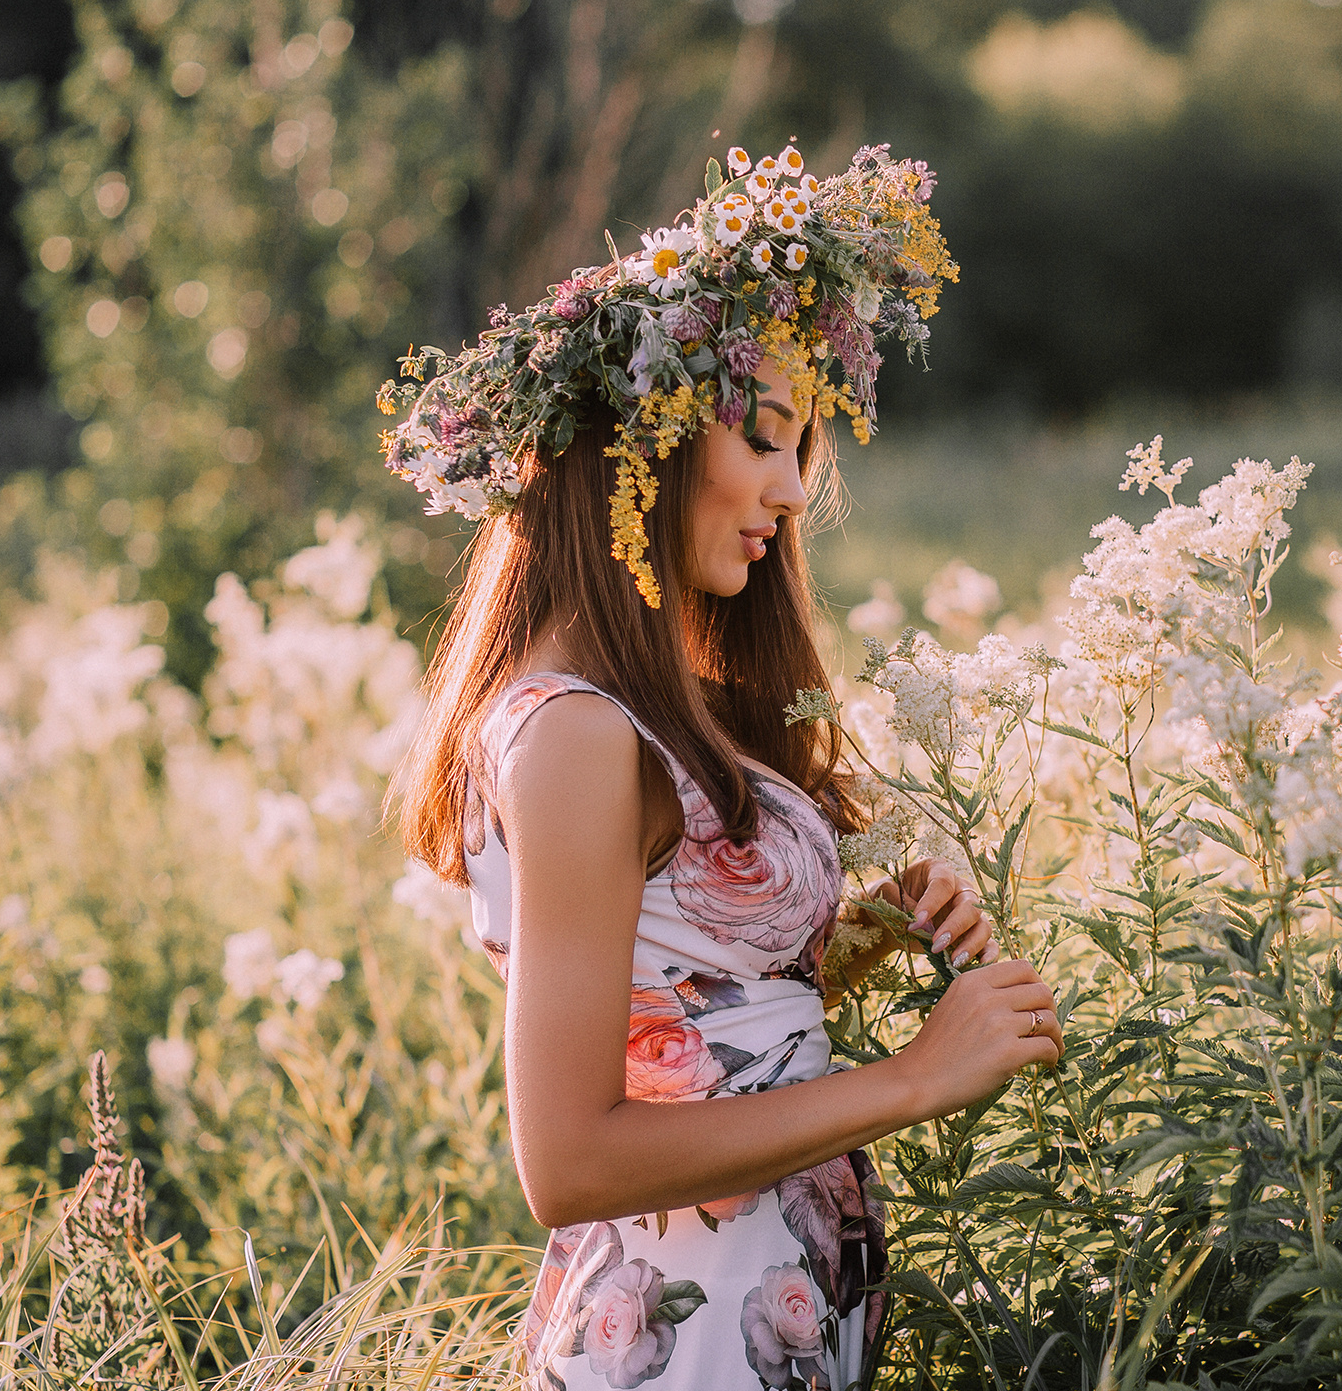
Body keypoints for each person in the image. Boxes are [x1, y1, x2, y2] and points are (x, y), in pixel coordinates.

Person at [384, 144, 1062, 1389]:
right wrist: (914, 1080)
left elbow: (681, 1021)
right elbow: (572, 1162)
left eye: (805, 448)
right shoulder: (578, 735)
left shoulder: (627, 717)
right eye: (764, 439)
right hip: (688, 1340)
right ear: (641, 442)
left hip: (760, 1309)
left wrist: (859, 936)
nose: (793, 492)